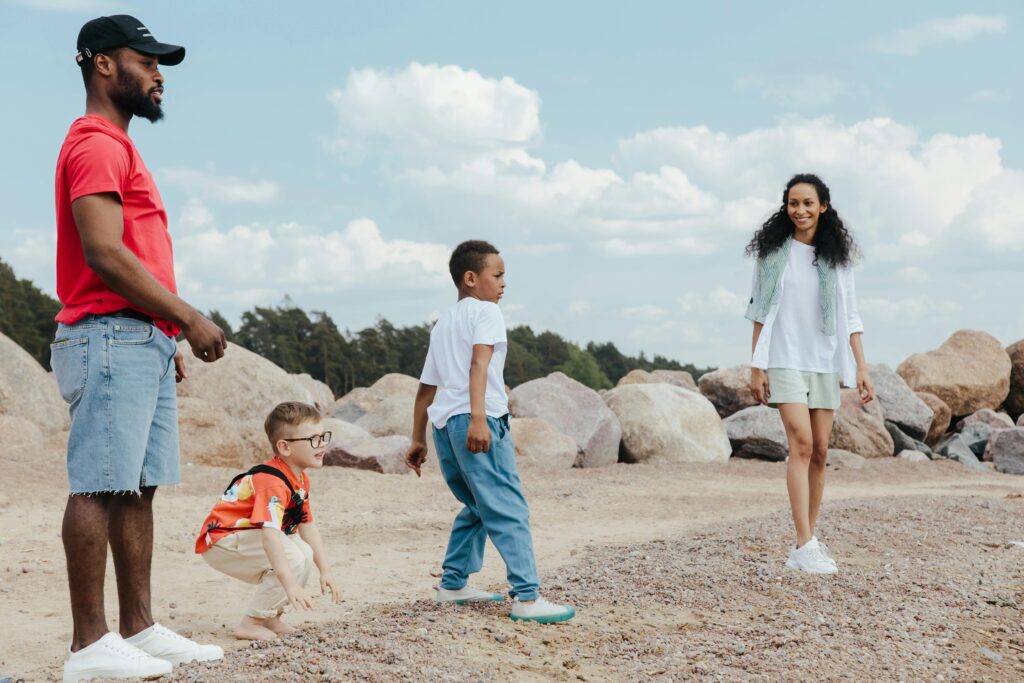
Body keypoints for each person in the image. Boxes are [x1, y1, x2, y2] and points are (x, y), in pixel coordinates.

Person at [52, 14, 228, 682]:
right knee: (100, 480)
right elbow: (102, 251)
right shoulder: (97, 143)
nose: (157, 75)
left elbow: (133, 254)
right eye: (146, 61)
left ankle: (140, 628)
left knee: (138, 486)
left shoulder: (118, 146)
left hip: (138, 333)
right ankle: (89, 644)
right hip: (107, 332)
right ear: (102, 64)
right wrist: (187, 316)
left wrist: (164, 330)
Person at [404, 240, 575, 623]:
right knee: (508, 507)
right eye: (497, 275)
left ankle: (452, 584)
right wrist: (480, 418)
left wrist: (417, 438)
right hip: (474, 421)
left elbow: (424, 390)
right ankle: (528, 598)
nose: (503, 284)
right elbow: (478, 366)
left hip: (445, 426)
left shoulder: (443, 323)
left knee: (478, 507)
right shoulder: (487, 313)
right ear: (470, 278)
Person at [745, 173, 875, 575]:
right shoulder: (773, 254)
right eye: (793, 203)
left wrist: (862, 367)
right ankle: (804, 544)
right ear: (786, 208)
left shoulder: (836, 258)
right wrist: (755, 365)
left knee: (820, 451)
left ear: (823, 207)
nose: (799, 210)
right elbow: (758, 311)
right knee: (800, 444)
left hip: (824, 359)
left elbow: (851, 316)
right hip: (784, 358)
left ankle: (808, 540)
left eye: (807, 203)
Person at [195, 402, 342, 641]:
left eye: (323, 436)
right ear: (284, 447)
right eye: (313, 439)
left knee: (303, 552)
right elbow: (270, 537)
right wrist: (291, 586)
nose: (322, 444)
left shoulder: (300, 479)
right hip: (222, 541)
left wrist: (325, 570)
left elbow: (307, 525)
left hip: (245, 538)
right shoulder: (272, 481)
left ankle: (270, 617)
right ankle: (251, 623)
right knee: (293, 557)